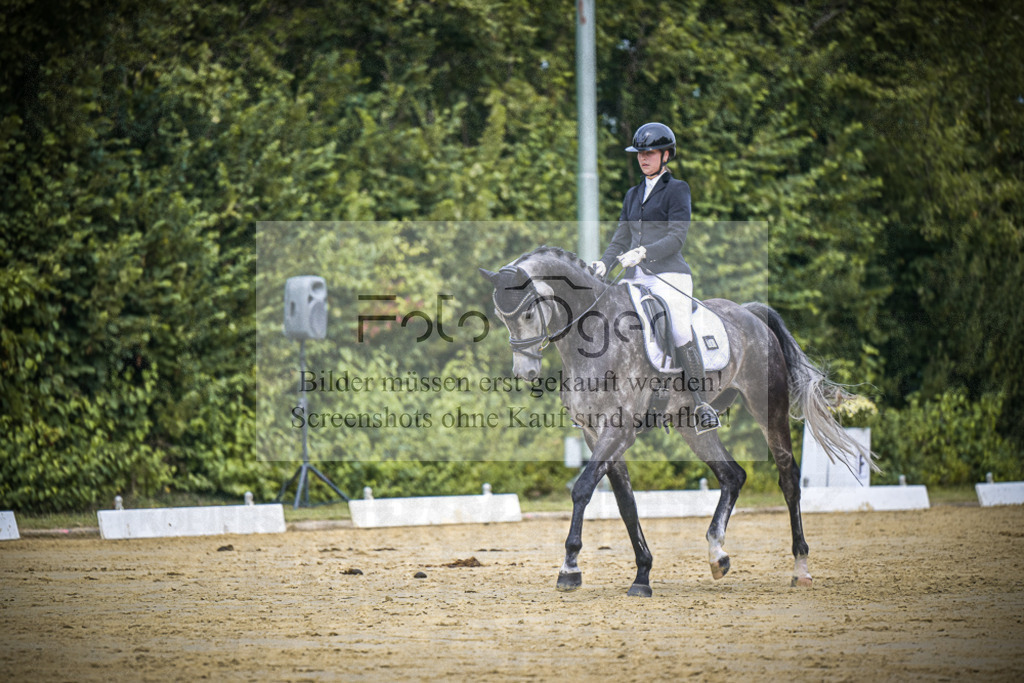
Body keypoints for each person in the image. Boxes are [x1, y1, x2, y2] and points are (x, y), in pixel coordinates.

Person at [590, 122, 720, 433]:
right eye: (640, 154)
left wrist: (644, 252)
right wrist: (604, 264)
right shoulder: (633, 194)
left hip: (669, 274)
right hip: (634, 277)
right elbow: (621, 238)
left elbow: (677, 237)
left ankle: (701, 403)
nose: (643, 158)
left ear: (665, 155)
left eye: (649, 153)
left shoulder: (677, 190)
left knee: (677, 329)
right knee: (608, 320)